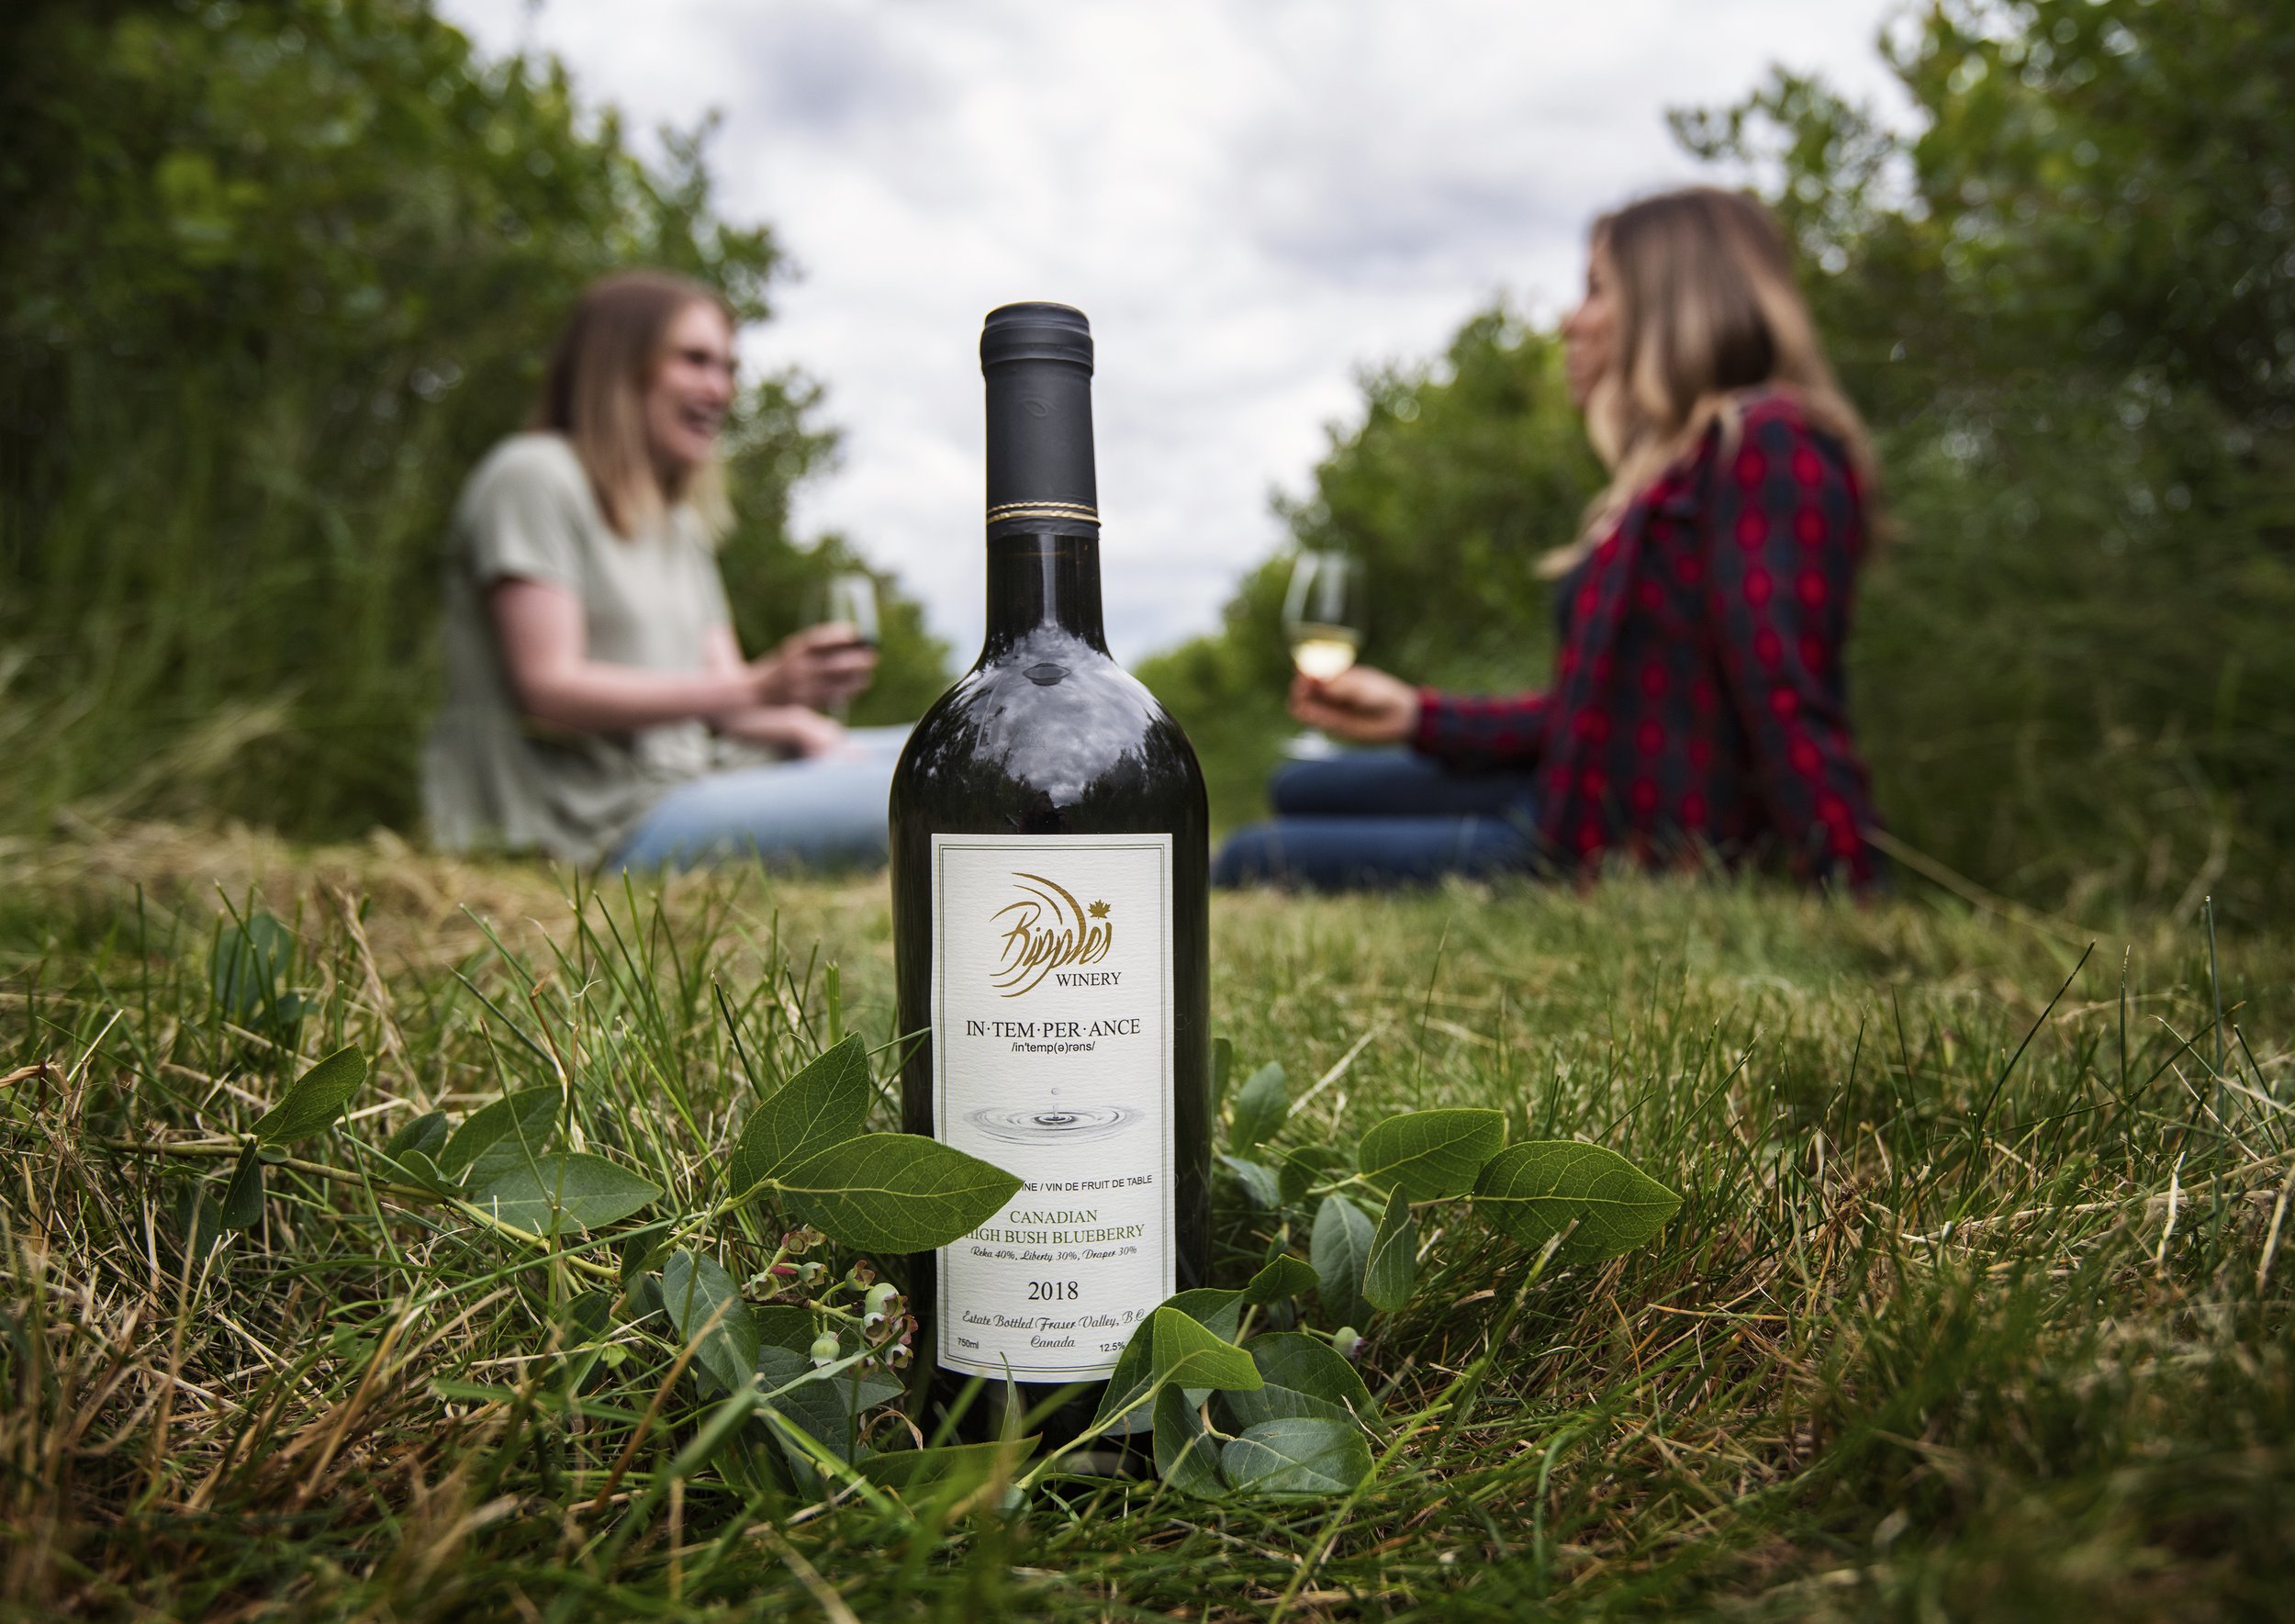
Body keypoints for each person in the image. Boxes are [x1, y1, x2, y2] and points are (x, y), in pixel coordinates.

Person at [1214, 187, 1885, 891]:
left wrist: (1854, 886)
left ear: (1678, 305)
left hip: (1617, 852)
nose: (1571, 320)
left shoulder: (1768, 443)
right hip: (1570, 800)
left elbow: (1786, 694)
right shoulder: (1662, 477)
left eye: (1596, 290)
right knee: (1299, 784)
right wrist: (1418, 714)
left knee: (1251, 854)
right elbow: (1589, 711)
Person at [422, 271, 901, 872]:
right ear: (621, 366)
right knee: (933, 798)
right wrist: (761, 685)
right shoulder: (533, 477)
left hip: (702, 775)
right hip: (603, 819)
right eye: (696, 360)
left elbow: (727, 702)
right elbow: (548, 688)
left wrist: (801, 719)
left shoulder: (678, 526)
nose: (721, 388)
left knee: (959, 753)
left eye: (728, 367)